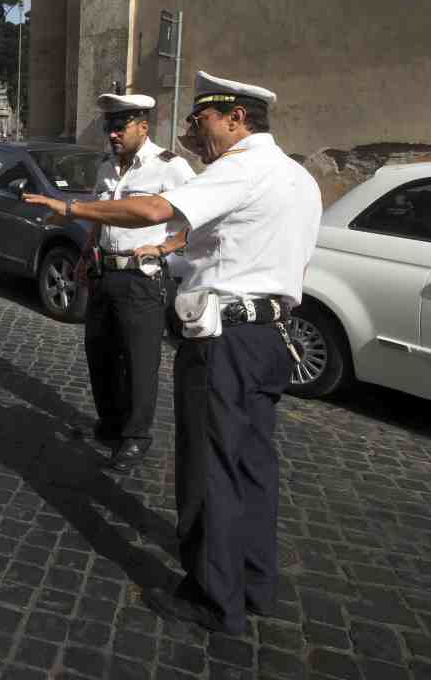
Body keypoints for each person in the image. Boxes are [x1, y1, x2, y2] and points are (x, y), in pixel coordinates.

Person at [23, 71, 321, 635]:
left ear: (237, 118)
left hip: (225, 341)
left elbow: (153, 209)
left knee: (209, 468)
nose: (194, 130)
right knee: (253, 465)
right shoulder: (297, 176)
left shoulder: (242, 168)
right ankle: (255, 581)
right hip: (270, 334)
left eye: (203, 119)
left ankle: (212, 595)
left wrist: (71, 211)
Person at [81, 93, 194, 472]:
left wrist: (166, 247)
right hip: (104, 272)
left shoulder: (169, 167)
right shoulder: (106, 167)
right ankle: (111, 423)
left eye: (119, 126)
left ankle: (136, 436)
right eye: (107, 126)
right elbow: (98, 213)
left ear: (143, 126)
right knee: (100, 353)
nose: (112, 134)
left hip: (141, 278)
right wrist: (86, 252)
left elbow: (200, 215)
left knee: (139, 359)